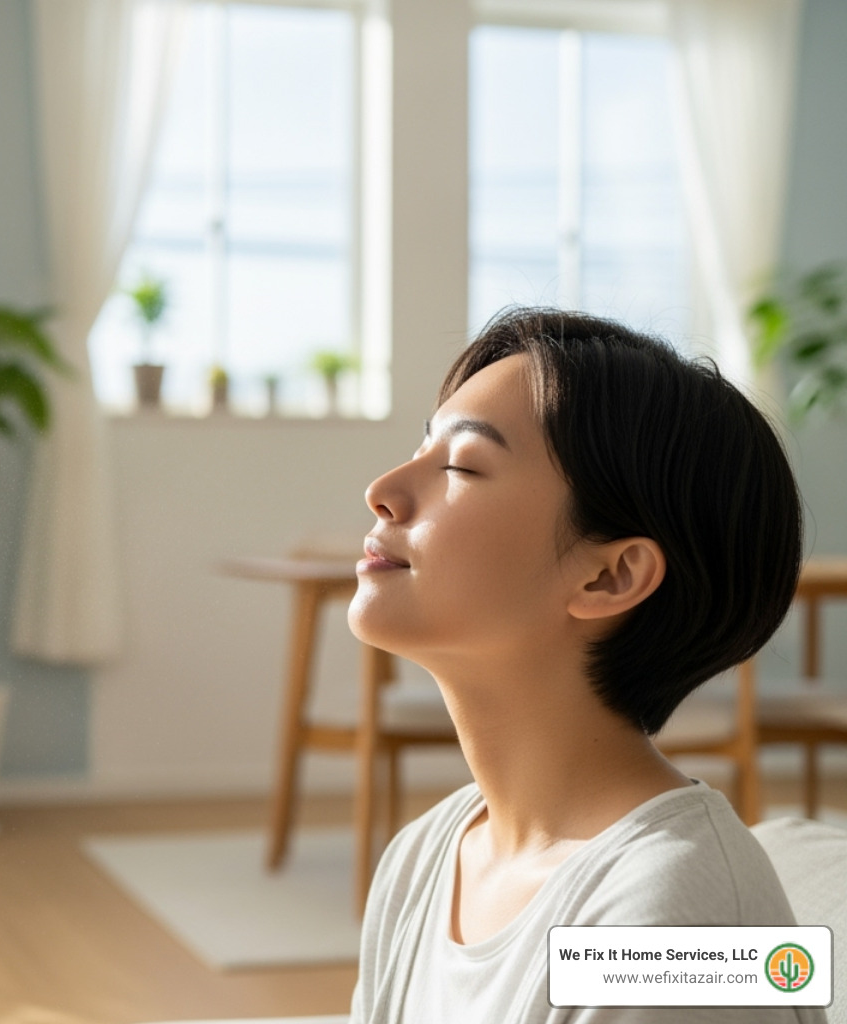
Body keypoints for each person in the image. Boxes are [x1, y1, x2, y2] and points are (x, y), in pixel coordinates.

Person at [347, 309, 825, 1023]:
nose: (383, 489)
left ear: (609, 577)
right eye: (422, 446)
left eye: (462, 465)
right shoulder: (426, 858)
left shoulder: (673, 924)